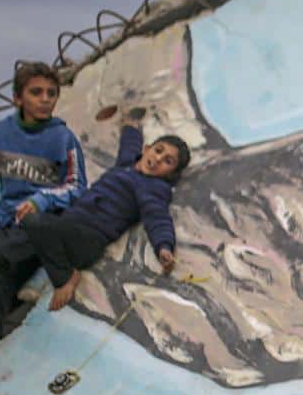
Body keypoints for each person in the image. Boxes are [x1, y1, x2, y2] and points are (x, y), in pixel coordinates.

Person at [0, 60, 87, 354]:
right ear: (18, 98)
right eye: (36, 92)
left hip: (42, 222)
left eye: (51, 93)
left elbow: (77, 185)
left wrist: (41, 199)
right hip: (7, 219)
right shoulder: (0, 133)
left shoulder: (62, 138)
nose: (44, 100)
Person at [19, 117, 188, 313]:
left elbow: (158, 218)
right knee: (19, 232)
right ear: (147, 148)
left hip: (88, 238)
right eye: (158, 150)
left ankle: (66, 278)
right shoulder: (126, 163)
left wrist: (164, 247)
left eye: (168, 161)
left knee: (33, 220)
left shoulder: (154, 188)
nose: (158, 159)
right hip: (67, 226)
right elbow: (130, 143)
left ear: (170, 174)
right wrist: (130, 123)